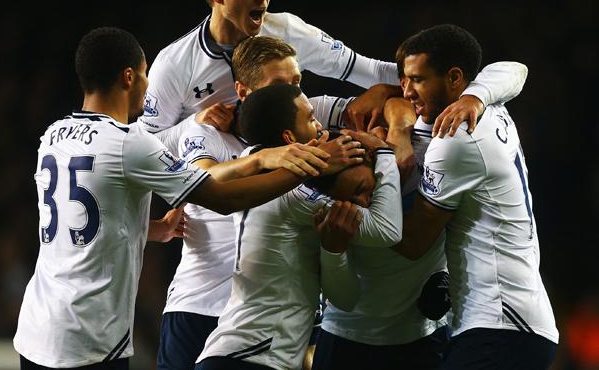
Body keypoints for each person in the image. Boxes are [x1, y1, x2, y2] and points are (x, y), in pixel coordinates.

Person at [12, 27, 335, 370]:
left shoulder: (53, 135)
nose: (148, 85)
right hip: (89, 335)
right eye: (145, 74)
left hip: (35, 328)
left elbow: (79, 221)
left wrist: (152, 229)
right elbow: (222, 199)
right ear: (129, 76)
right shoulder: (129, 143)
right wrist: (285, 165)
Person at [138, 0, 491, 150]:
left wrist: (474, 92)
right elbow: (143, 147)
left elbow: (374, 72)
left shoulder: (288, 31)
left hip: (290, 186)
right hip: (222, 204)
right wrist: (194, 125)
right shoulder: (175, 63)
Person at [157, 36, 363, 369]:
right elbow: (201, 181)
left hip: (272, 308)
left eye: (297, 81)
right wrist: (263, 159)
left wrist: (395, 134)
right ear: (242, 91)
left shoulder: (309, 121)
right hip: (201, 305)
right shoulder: (207, 131)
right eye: (280, 84)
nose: (295, 91)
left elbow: (382, 99)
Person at [311, 58, 530, 370]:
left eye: (361, 186)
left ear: (368, 151)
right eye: (351, 197)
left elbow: (513, 69)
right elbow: (345, 298)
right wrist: (332, 253)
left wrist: (470, 99)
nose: (363, 200)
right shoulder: (332, 213)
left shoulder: (422, 151)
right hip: (345, 337)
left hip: (422, 338)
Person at [385, 24, 558, 369]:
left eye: (417, 80)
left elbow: (413, 240)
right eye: (405, 80)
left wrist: (356, 205)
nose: (407, 91)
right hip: (512, 322)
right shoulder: (489, 105)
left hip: (501, 325)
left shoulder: (454, 139)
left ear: (453, 78)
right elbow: (512, 69)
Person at [195, 84, 403, 370]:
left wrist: (333, 252)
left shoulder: (264, 170)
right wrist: (385, 154)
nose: (320, 127)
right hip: (250, 357)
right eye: (310, 119)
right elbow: (387, 230)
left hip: (250, 357)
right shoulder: (291, 192)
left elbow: (345, 299)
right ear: (289, 137)